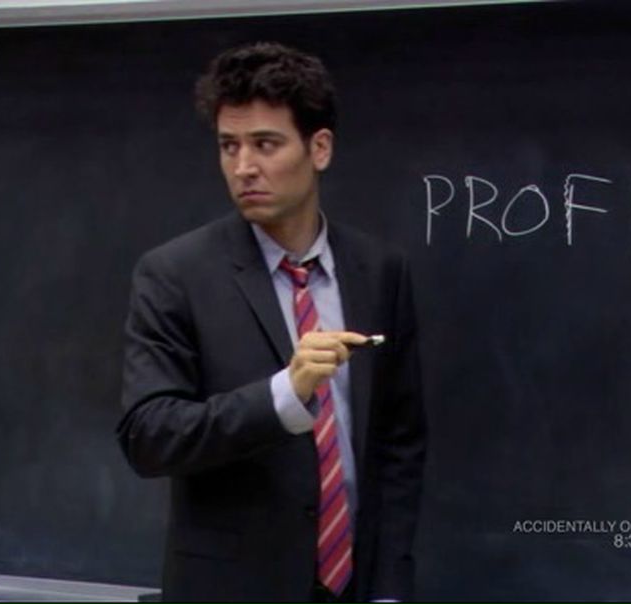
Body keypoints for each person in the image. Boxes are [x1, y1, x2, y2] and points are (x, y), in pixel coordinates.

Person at [116, 42, 427, 602]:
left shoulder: (379, 271)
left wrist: (389, 588)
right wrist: (283, 395)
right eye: (228, 146)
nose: (243, 168)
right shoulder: (174, 275)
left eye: (265, 144)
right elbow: (149, 436)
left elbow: (398, 444)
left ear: (319, 148)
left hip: (356, 586)